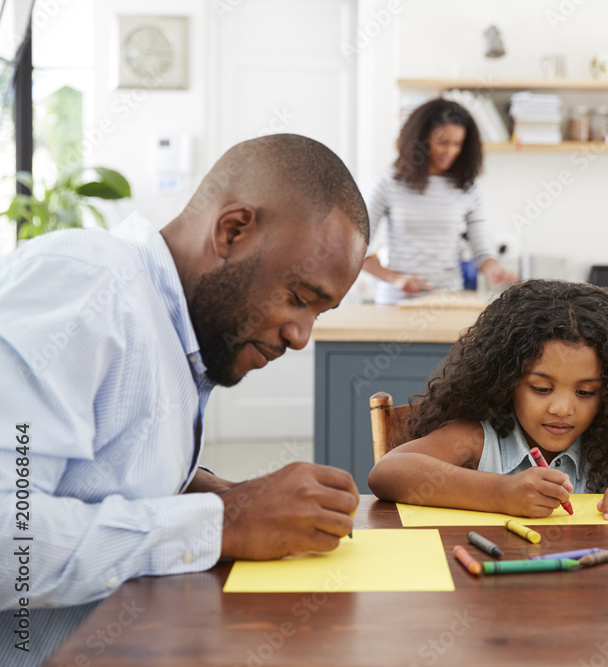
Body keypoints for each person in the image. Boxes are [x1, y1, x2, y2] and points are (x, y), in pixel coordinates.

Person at [0, 134, 369, 665]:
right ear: (232, 230)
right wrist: (224, 519)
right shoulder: (88, 284)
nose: (300, 335)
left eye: (319, 313)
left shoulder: (174, 334)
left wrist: (210, 489)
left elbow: (98, 470)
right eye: (299, 298)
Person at [367, 280, 608, 520]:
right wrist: (500, 493)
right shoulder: (479, 439)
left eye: (585, 392)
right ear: (506, 380)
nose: (563, 408)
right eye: (541, 388)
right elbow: (387, 473)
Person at [362, 98, 518, 305]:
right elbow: (357, 251)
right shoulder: (388, 184)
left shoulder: (467, 188)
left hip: (448, 300)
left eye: (458, 144)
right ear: (421, 140)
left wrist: (493, 269)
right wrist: (396, 279)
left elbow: (482, 251)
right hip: (395, 301)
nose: (450, 152)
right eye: (443, 142)